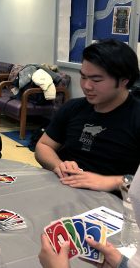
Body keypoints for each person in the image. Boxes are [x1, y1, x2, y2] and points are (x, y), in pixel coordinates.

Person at [35, 39, 140, 192]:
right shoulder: (73, 108)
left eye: (96, 80)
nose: (86, 86)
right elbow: (43, 146)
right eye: (83, 77)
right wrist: (58, 164)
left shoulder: (135, 117)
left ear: (124, 80)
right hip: (65, 191)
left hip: (114, 204)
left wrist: (111, 182)